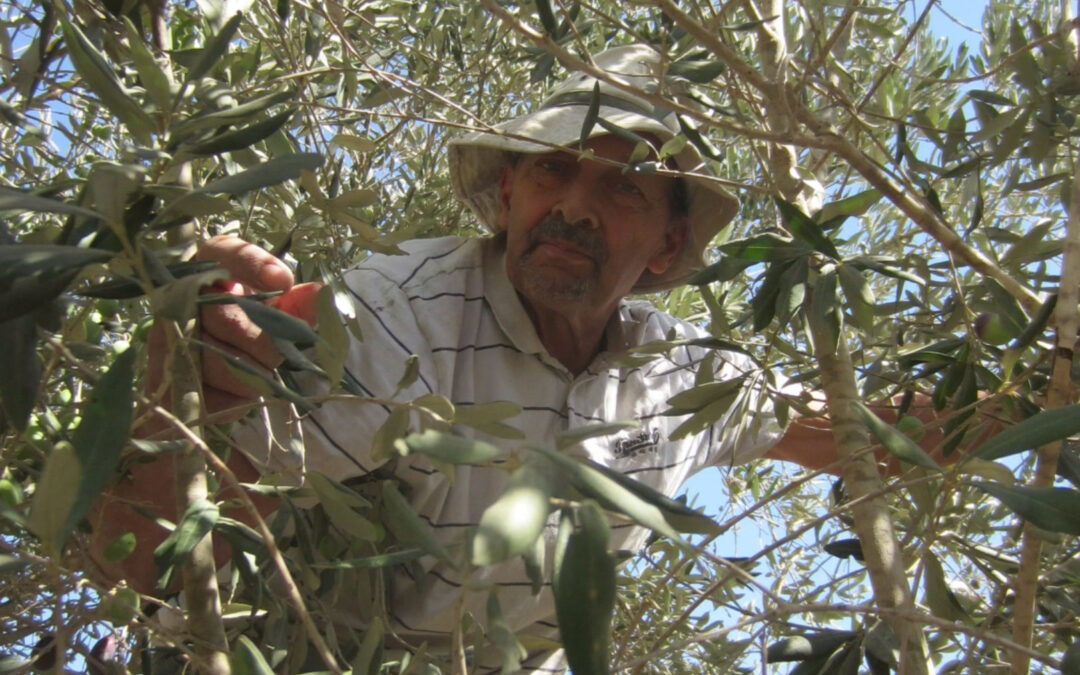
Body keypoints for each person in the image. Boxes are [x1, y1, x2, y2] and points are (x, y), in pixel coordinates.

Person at [93, 45, 852, 673]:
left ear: (667, 246)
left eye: (623, 187)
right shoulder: (396, 321)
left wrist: (967, 407)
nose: (575, 208)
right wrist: (187, 392)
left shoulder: (681, 375)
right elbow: (142, 558)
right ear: (509, 191)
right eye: (555, 169)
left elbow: (855, 430)